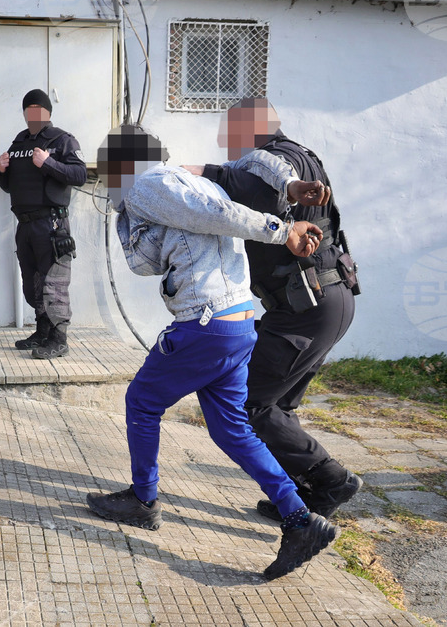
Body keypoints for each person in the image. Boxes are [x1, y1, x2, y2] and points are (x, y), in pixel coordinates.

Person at [86, 124, 340, 581]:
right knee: (232, 431)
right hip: (237, 323)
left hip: (205, 322)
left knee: (141, 403)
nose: (108, 185)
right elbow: (148, 260)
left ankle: (143, 501)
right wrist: (128, 215)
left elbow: (214, 215)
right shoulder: (183, 184)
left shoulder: (151, 183)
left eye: (109, 175)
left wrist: (281, 232)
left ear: (124, 166)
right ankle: (301, 520)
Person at [186, 98, 361, 521]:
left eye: (230, 132)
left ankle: (333, 479)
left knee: (248, 401)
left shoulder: (274, 160)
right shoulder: (303, 158)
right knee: (276, 405)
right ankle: (311, 492)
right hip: (324, 302)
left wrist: (201, 173)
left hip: (307, 306)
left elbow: (255, 182)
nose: (225, 142)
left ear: (252, 127)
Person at [0, 89, 87, 359]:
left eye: (38, 108)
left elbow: (79, 174)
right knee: (32, 283)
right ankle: (42, 332)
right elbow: (8, 185)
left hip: (52, 225)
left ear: (48, 112)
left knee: (54, 284)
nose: (33, 113)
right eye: (29, 109)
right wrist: (0, 171)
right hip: (25, 226)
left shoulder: (63, 141)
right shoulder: (19, 142)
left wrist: (48, 164)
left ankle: (59, 339)